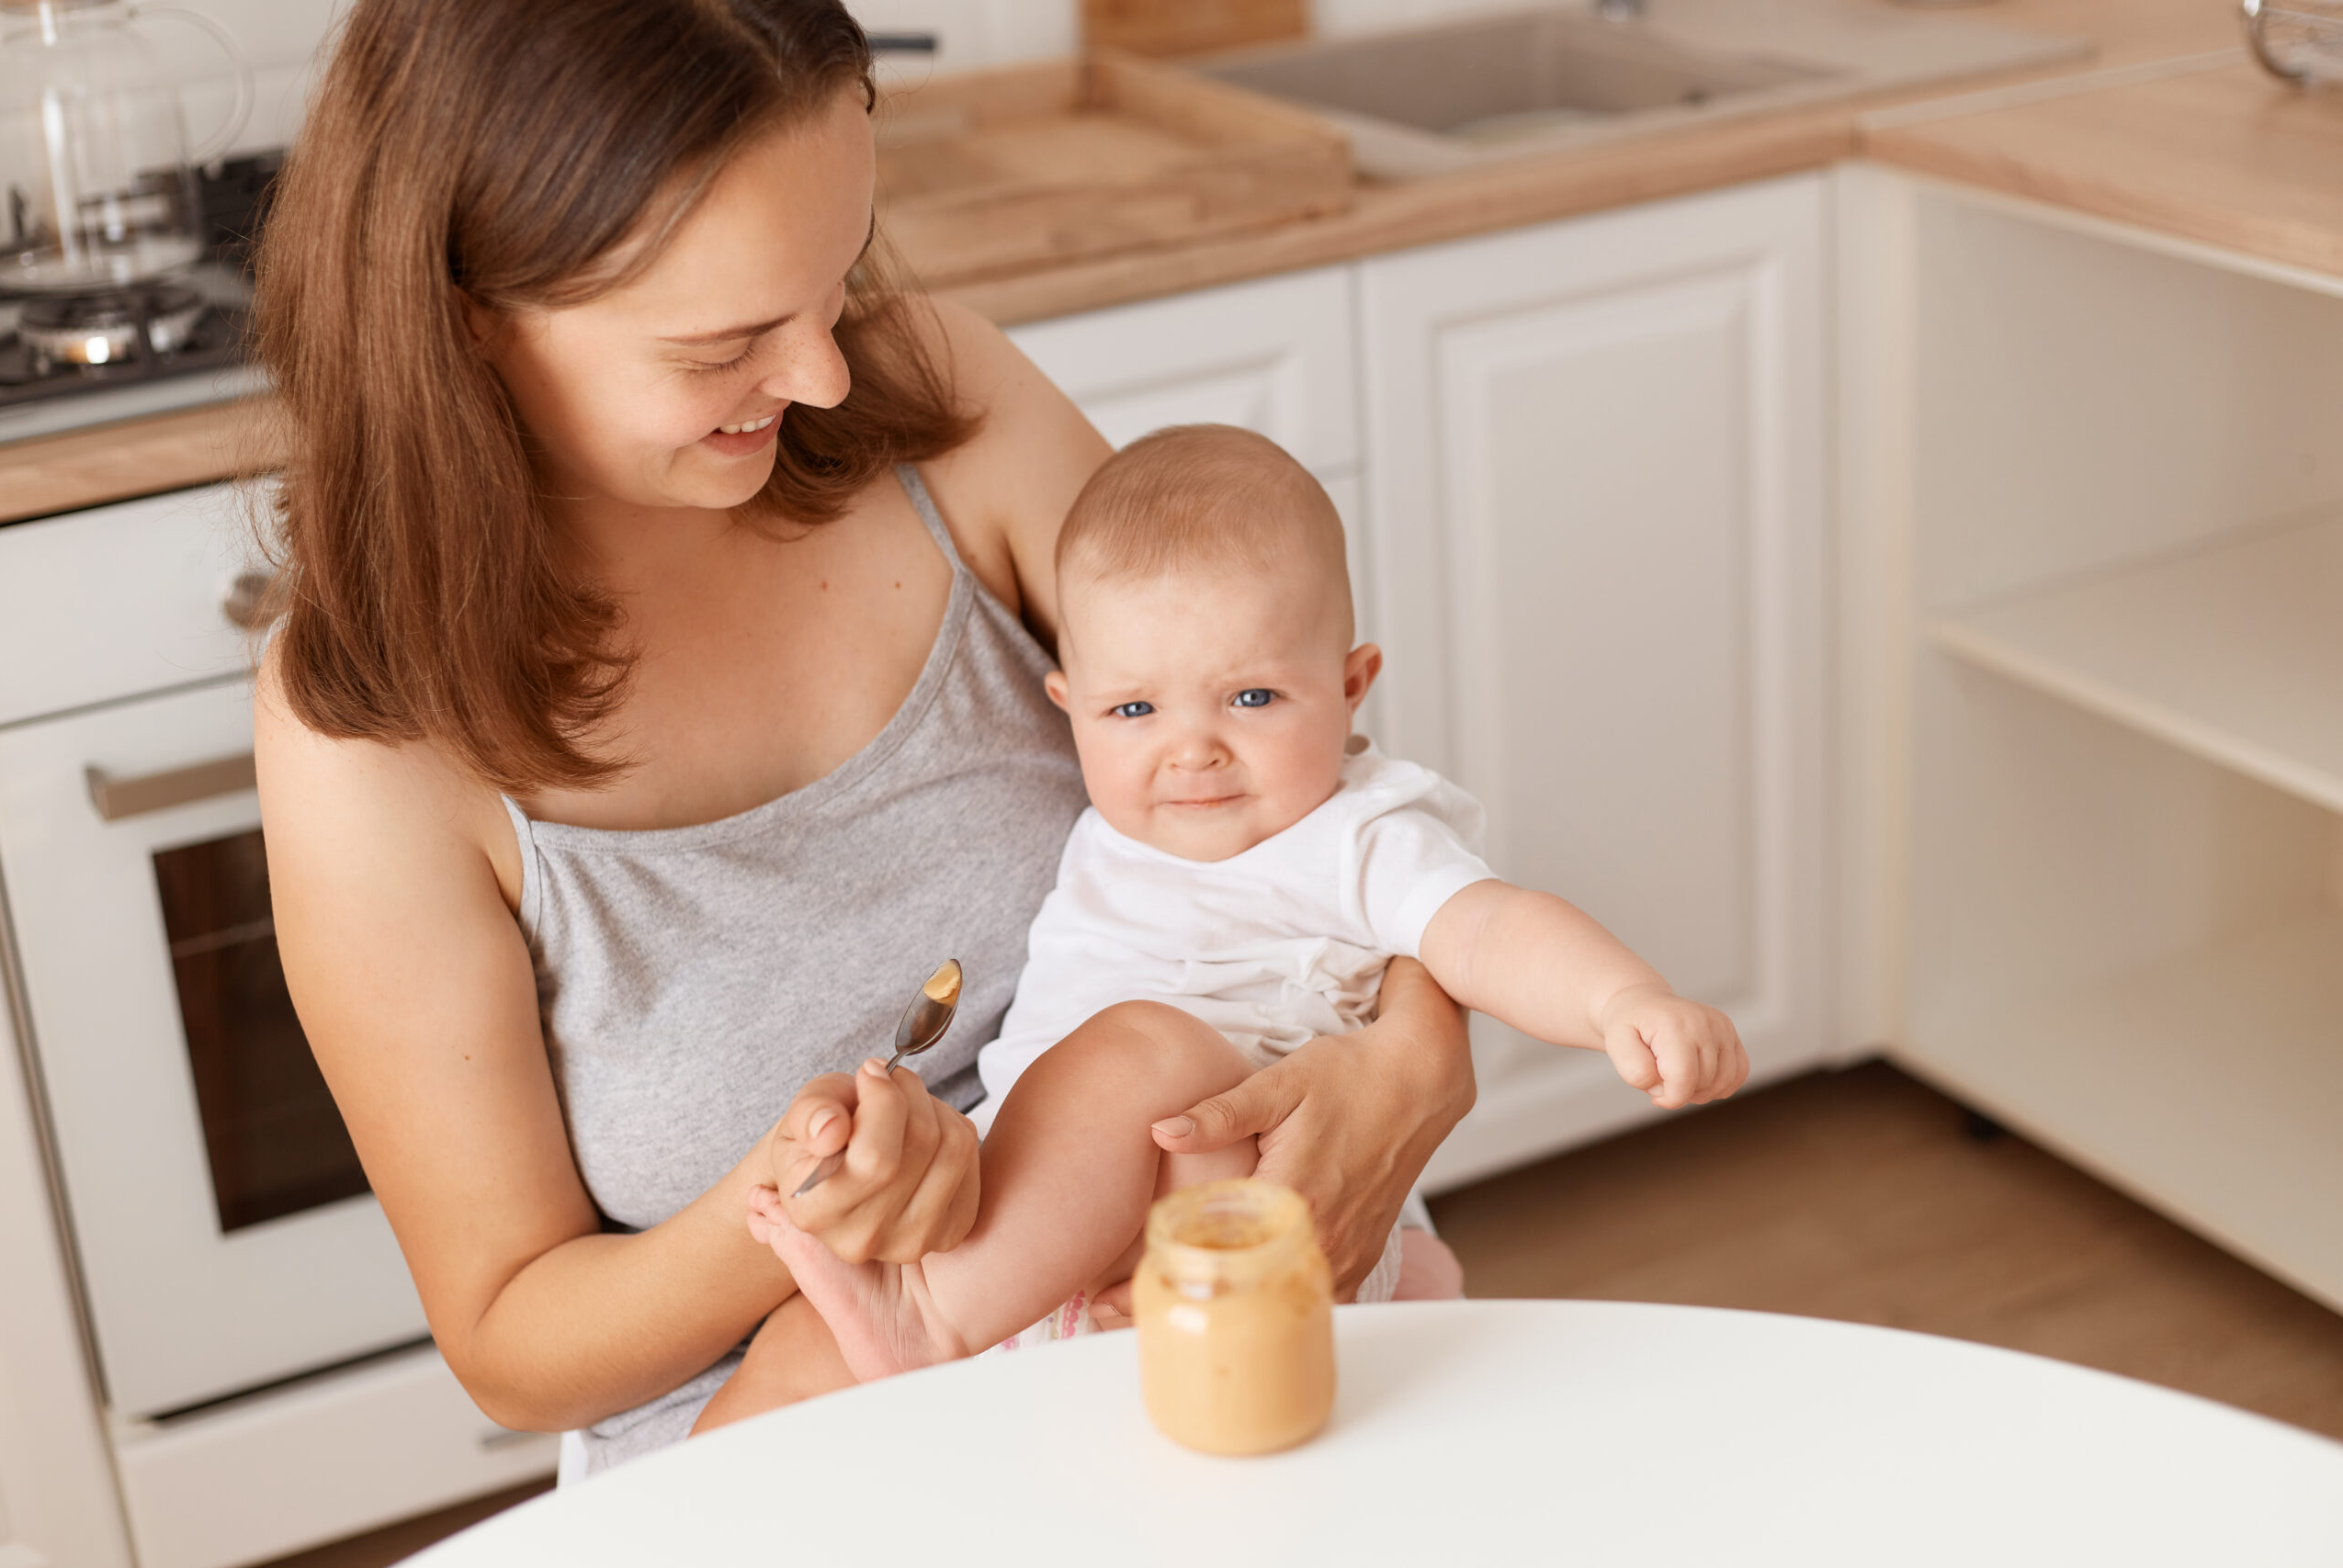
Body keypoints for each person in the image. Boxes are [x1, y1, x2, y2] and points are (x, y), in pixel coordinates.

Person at [253, 0, 1476, 1476]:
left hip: (1218, 1331)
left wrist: (1412, 1067)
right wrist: (789, 1203)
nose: (828, 377)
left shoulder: (946, 411)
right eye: (726, 343)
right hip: (798, 1450)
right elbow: (512, 1337)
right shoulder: (374, 732)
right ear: (464, 318)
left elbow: (1320, 806)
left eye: (834, 286)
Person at [710, 425, 1749, 1398]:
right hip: (1035, 1243)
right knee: (794, 1355)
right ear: (1070, 708)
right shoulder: (1116, 828)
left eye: (1249, 699)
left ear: (1350, 687)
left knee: (1145, 1050)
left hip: (1240, 1222)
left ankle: (927, 1319)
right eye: (1134, 710)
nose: (1191, 747)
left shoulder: (1357, 834)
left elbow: (1485, 928)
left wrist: (1622, 1000)